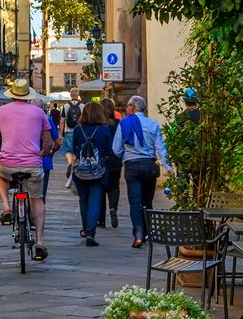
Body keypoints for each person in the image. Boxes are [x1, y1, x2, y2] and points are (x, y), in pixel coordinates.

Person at [0, 80, 58, 261]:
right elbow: (48, 142)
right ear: (28, 95)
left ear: (12, 94)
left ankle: (6, 207)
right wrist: (44, 153)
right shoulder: (39, 112)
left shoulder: (1, 111)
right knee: (37, 200)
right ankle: (39, 242)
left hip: (7, 163)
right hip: (32, 164)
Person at [113, 94, 172, 247]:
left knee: (135, 202)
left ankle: (138, 235)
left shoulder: (124, 123)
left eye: (128, 105)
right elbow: (161, 148)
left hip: (132, 165)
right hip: (149, 165)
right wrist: (168, 167)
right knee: (147, 202)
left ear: (133, 107)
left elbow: (116, 149)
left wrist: (126, 154)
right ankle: (147, 232)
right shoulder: (153, 124)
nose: (126, 108)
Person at [66, 101, 116, 246]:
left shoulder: (78, 129)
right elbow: (109, 150)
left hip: (81, 170)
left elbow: (74, 149)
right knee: (95, 199)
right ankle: (91, 233)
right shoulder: (104, 129)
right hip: (98, 170)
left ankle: (85, 228)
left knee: (83, 199)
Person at [99, 97, 124, 229]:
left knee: (100, 189)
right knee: (114, 186)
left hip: (102, 159)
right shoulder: (119, 123)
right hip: (115, 158)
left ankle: (101, 220)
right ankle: (113, 207)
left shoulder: (98, 125)